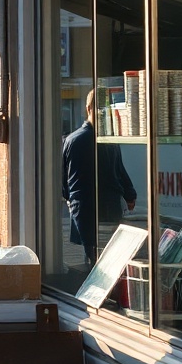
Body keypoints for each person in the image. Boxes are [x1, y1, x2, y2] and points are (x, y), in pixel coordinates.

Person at [62, 90, 138, 264]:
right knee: (111, 258)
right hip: (109, 207)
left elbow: (64, 180)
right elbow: (119, 170)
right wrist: (129, 194)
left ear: (87, 108)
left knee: (93, 257)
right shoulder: (109, 141)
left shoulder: (72, 140)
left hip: (84, 209)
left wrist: (70, 200)